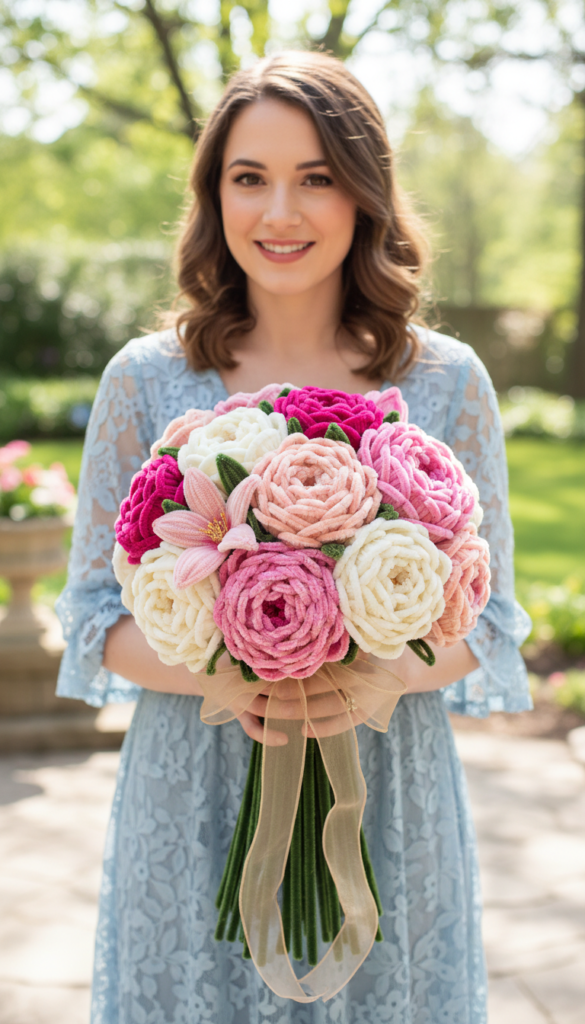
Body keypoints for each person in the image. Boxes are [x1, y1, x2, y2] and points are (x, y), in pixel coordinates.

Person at [56, 51, 532, 1024]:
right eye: (250, 178)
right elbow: (94, 617)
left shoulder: (448, 383)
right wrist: (229, 675)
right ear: (212, 195)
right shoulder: (144, 381)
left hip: (385, 786)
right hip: (193, 790)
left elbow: (490, 618)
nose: (281, 212)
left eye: (316, 177)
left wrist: (382, 672)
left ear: (365, 193)